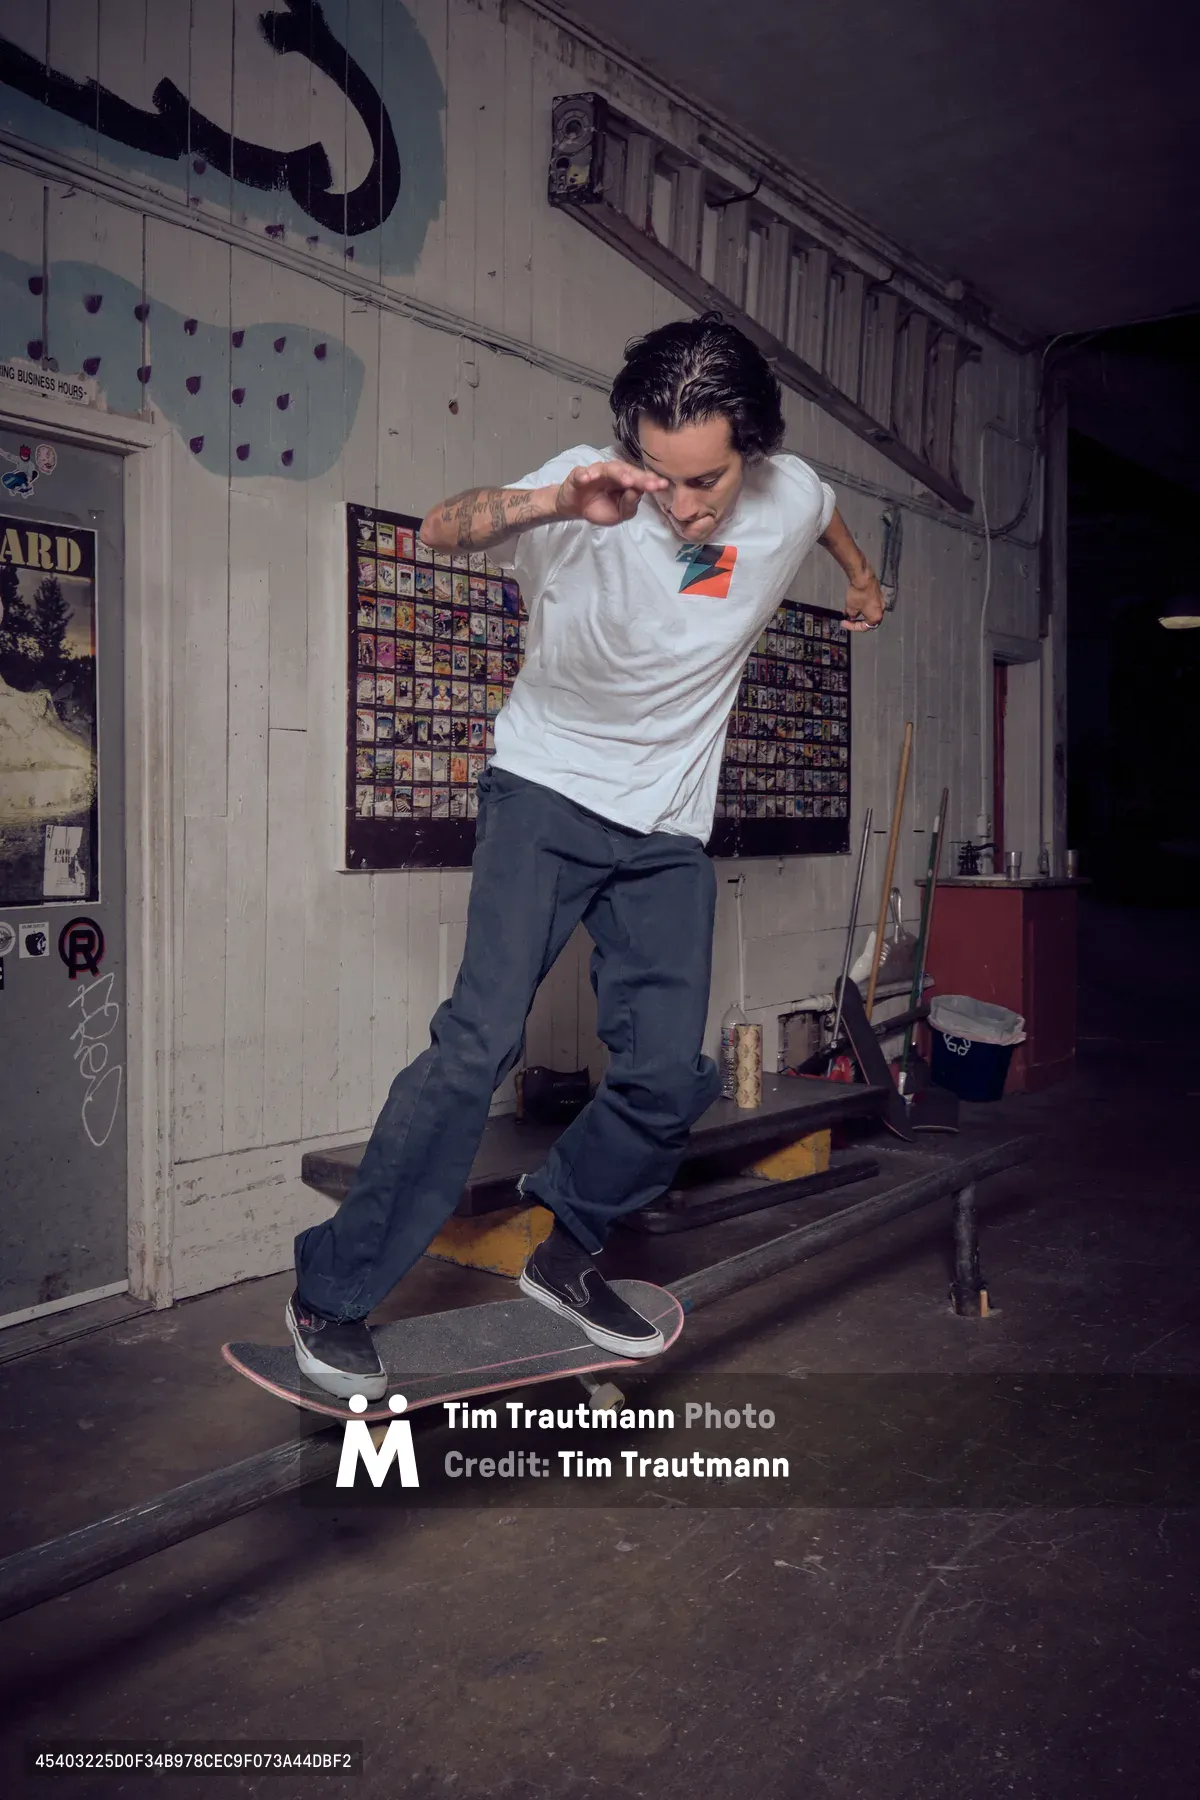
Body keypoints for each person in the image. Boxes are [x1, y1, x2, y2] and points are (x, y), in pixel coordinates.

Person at [289, 312, 886, 1398]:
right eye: (661, 475)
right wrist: (564, 500)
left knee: (668, 1073)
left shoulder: (791, 492)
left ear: (751, 451)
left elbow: (829, 515)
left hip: (666, 828)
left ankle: (565, 1249)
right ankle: (327, 1295)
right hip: (545, 794)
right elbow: (441, 527)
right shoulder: (583, 488)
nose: (682, 502)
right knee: (475, 1049)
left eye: (705, 480)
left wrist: (859, 579)